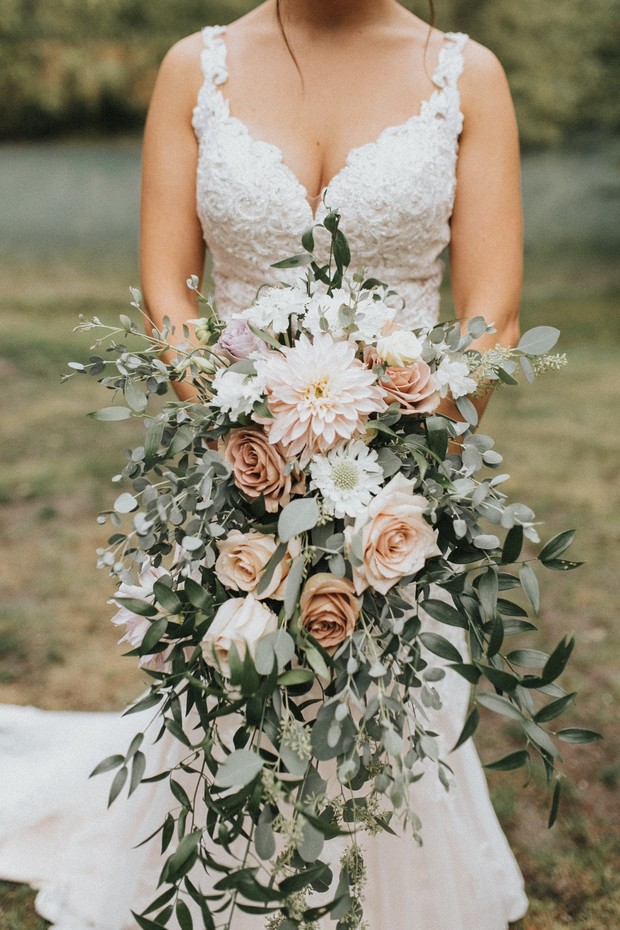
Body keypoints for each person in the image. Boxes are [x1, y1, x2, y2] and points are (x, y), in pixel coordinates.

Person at [0, 1, 528, 927]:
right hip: (236, 459)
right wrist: (237, 436)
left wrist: (411, 450)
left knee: (378, 691)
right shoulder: (195, 67)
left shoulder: (465, 75)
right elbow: (170, 295)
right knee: (234, 675)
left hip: (396, 472)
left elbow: (492, 316)